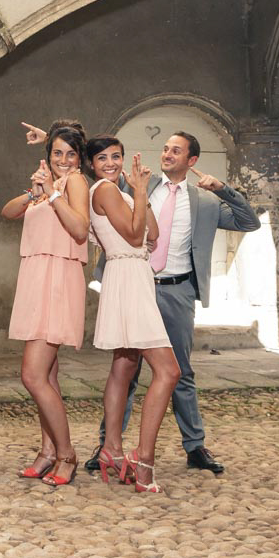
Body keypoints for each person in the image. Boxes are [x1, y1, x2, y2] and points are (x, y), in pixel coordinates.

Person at [84, 132, 261, 475]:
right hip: (137, 284)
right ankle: (108, 444)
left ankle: (195, 446)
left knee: (180, 371)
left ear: (191, 161)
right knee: (126, 367)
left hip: (176, 290)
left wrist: (222, 189)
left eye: (175, 151)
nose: (167, 154)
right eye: (165, 148)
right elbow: (100, 187)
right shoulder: (139, 186)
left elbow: (248, 222)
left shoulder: (206, 202)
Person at [86, 137, 180, 493]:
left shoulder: (119, 191)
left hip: (132, 274)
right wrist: (139, 192)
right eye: (102, 158)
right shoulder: (105, 190)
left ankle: (111, 449)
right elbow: (134, 233)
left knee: (124, 366)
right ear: (92, 164)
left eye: (116, 156)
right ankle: (143, 459)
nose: (110, 163)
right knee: (168, 371)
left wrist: (139, 194)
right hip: (127, 275)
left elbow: (153, 233)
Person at [0, 127, 90, 485]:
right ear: (48, 155)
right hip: (35, 276)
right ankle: (48, 451)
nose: (63, 160)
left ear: (80, 158)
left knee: (32, 376)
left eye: (70, 154)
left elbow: (80, 229)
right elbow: (7, 212)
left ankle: (67, 454)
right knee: (47, 376)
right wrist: (34, 193)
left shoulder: (75, 183)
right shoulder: (44, 187)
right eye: (57, 153)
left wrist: (52, 193)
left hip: (57, 278)